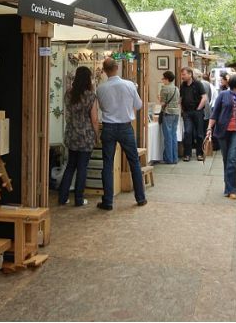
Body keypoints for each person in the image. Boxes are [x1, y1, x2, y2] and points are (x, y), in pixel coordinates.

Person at [95, 58, 147, 210]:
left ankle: (108, 201)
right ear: (117, 67)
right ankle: (140, 198)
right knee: (134, 162)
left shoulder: (101, 88)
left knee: (107, 164)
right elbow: (138, 105)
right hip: (125, 127)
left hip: (108, 127)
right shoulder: (129, 85)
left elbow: (103, 108)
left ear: (104, 70)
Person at [58, 66, 99, 207]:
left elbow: (68, 116)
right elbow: (94, 119)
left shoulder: (68, 94)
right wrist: (97, 135)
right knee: (82, 167)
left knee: (70, 166)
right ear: (88, 79)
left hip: (71, 134)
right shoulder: (91, 96)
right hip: (86, 136)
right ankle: (79, 199)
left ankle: (62, 197)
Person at [207, 74, 236, 199]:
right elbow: (215, 113)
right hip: (223, 131)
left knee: (232, 160)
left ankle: (232, 190)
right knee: (226, 160)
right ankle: (228, 186)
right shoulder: (223, 95)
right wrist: (209, 128)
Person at [179, 66, 207, 162]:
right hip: (187, 112)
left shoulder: (198, 84)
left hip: (197, 112)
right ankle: (187, 154)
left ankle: (200, 153)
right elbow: (181, 98)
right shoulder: (182, 85)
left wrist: (199, 109)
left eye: (184, 74)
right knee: (187, 132)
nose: (182, 76)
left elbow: (204, 97)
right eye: (182, 74)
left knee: (199, 134)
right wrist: (182, 110)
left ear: (190, 74)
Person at [159, 70, 180, 164]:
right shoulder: (176, 88)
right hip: (176, 113)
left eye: (163, 78)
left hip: (167, 113)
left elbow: (163, 103)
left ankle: (169, 159)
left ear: (167, 79)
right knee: (173, 135)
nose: (162, 80)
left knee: (167, 137)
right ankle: (175, 158)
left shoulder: (164, 88)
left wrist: (159, 99)